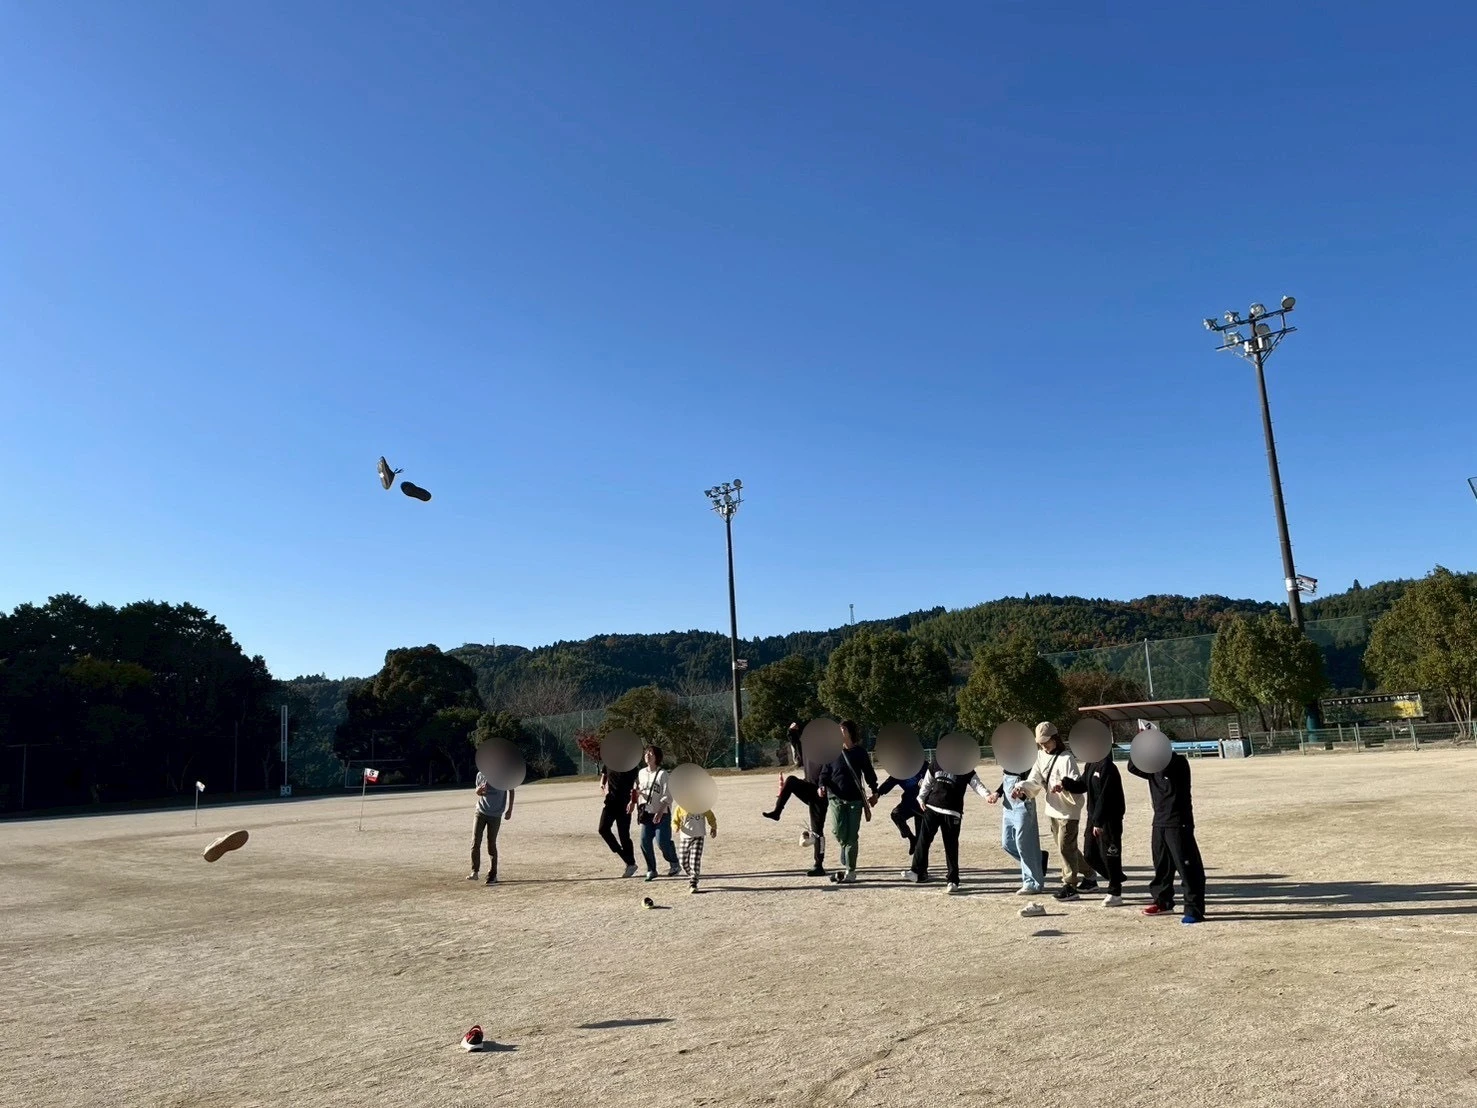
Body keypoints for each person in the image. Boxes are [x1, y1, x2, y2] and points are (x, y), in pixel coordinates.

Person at [1013, 722, 1097, 901]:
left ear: (1055, 738)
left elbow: (1077, 784)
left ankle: (1070, 885)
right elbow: (1034, 780)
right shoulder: (1040, 756)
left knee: (1065, 847)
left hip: (1068, 810)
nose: (1043, 746)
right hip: (1052, 809)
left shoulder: (1066, 758)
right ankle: (1090, 875)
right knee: (1066, 847)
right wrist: (1021, 787)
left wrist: (1063, 785)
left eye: (1046, 742)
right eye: (1040, 743)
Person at [1128, 748, 1206, 924]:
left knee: (1187, 866)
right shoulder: (1152, 767)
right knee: (1162, 865)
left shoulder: (1178, 762)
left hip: (1178, 822)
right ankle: (1163, 901)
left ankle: (1194, 909)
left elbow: (1166, 765)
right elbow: (1132, 767)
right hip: (1159, 821)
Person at [903, 758, 992, 893]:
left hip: (952, 811)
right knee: (923, 840)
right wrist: (921, 797)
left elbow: (976, 783)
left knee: (951, 846)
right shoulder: (936, 762)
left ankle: (952, 880)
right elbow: (928, 781)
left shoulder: (964, 765)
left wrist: (986, 795)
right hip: (932, 807)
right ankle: (916, 871)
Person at [1055, 745, 1127, 907]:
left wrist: (1099, 822)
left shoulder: (1108, 767)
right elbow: (1082, 785)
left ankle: (1115, 892)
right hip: (1094, 818)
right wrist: (1065, 784)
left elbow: (1106, 797)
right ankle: (1116, 877)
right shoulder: (1091, 764)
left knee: (1110, 855)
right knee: (1089, 854)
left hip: (1109, 820)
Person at [761, 721, 829, 877]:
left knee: (817, 831)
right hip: (808, 787)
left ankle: (819, 865)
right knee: (791, 780)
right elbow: (795, 742)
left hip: (820, 794)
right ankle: (777, 812)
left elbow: (829, 773)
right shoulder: (806, 749)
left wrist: (823, 787)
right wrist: (791, 731)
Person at [816, 719, 878, 884]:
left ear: (850, 732)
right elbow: (824, 773)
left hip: (855, 800)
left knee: (852, 837)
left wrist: (875, 791)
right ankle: (844, 847)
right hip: (835, 798)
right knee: (838, 831)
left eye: (842, 730)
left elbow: (869, 773)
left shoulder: (860, 752)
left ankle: (850, 871)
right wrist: (821, 786)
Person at [986, 762, 1046, 895]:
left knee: (1023, 844)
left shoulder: (1028, 761)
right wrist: (997, 793)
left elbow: (1034, 783)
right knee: (1007, 843)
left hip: (1023, 805)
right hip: (1008, 806)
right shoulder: (1010, 761)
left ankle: (1032, 883)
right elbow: (1006, 780)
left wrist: (1022, 793)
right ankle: (1038, 860)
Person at [635, 744, 682, 881]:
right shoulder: (641, 773)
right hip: (647, 813)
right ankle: (651, 869)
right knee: (644, 842)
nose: (647, 755)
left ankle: (674, 863)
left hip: (662, 814)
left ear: (657, 757)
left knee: (662, 842)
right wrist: (636, 796)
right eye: (646, 753)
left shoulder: (663, 774)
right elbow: (641, 790)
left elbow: (668, 795)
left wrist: (660, 811)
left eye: (651, 753)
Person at [468, 770, 514, 885]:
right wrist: (478, 791)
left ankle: (493, 874)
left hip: (495, 814)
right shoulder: (480, 774)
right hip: (480, 811)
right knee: (475, 841)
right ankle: (475, 871)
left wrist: (510, 809)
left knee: (491, 843)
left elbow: (511, 790)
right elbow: (478, 791)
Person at [597, 759, 640, 878]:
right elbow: (604, 776)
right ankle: (626, 857)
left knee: (624, 835)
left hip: (625, 804)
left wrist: (633, 802)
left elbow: (638, 785)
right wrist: (603, 786)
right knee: (603, 829)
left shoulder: (631, 765)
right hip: (610, 803)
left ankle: (631, 864)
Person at [875, 757, 928, 853]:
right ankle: (911, 838)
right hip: (908, 803)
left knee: (921, 840)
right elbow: (888, 783)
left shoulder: (924, 765)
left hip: (923, 806)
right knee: (896, 814)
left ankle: (919, 858)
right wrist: (877, 794)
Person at [672, 799, 718, 894]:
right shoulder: (680, 807)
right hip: (685, 837)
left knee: (695, 860)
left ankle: (693, 882)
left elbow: (711, 817)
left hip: (698, 836)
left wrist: (713, 827)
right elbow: (674, 820)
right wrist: (675, 827)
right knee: (683, 861)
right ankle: (692, 874)